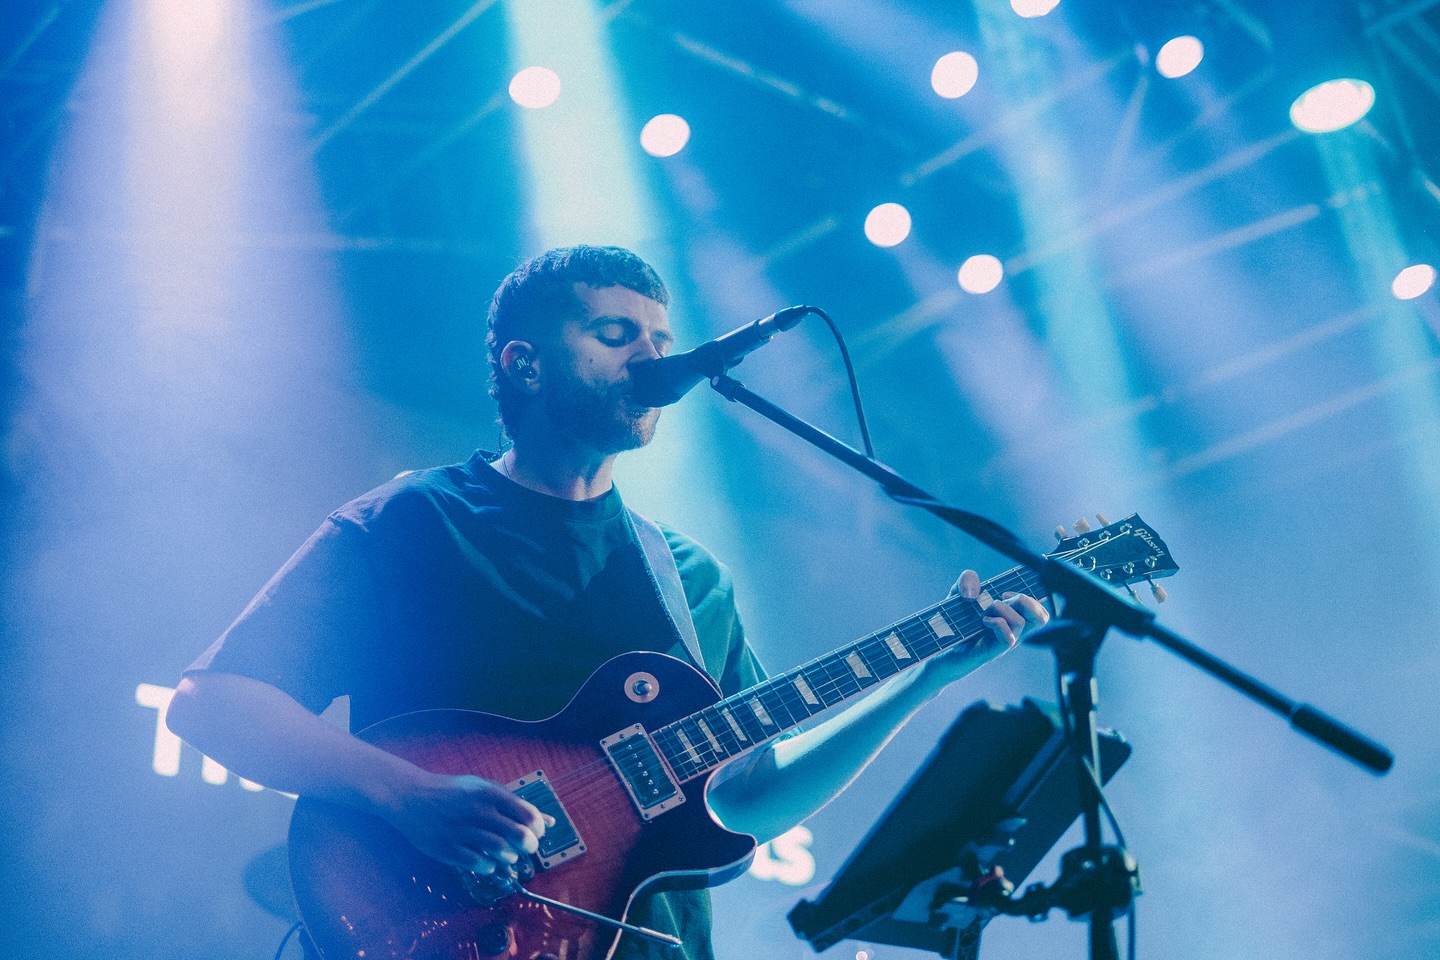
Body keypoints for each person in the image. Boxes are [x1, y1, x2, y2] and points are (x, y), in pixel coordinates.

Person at [166, 245, 1048, 960]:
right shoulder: (414, 520)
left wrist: (927, 676)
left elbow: (749, 795)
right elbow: (213, 702)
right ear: (526, 363)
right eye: (617, 333)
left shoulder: (688, 573)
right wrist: (407, 798)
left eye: (662, 339)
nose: (653, 358)